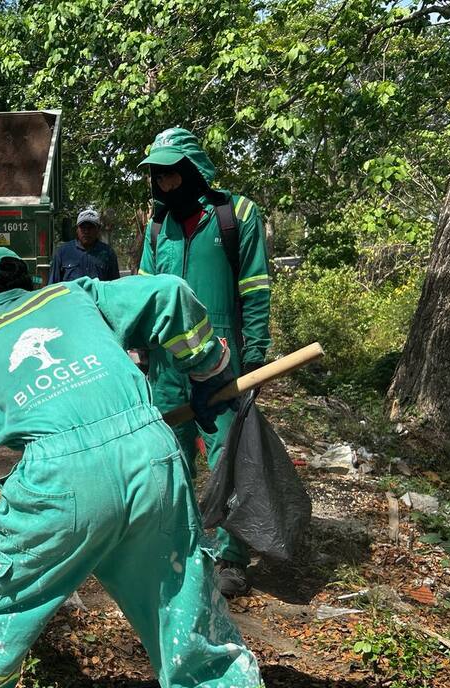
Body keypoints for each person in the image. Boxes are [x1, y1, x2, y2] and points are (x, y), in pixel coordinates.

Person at [0, 246, 271, 688]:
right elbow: (169, 294)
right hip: (150, 457)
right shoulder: (74, 296)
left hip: (60, 484)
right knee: (181, 608)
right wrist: (209, 370)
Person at [137, 127, 272, 598]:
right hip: (166, 369)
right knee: (170, 458)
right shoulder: (157, 227)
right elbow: (143, 294)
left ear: (193, 171)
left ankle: (231, 554)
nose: (165, 185)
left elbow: (254, 286)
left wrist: (256, 351)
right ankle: (182, 546)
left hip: (222, 362)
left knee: (225, 458)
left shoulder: (236, 215)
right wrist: (137, 352)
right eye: (158, 176)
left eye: (172, 174)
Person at [48, 207, 120, 284]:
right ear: (77, 230)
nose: (86, 231)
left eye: (90, 228)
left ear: (98, 229)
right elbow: (53, 286)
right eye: (83, 227)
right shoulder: (62, 252)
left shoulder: (108, 253)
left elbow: (114, 286)